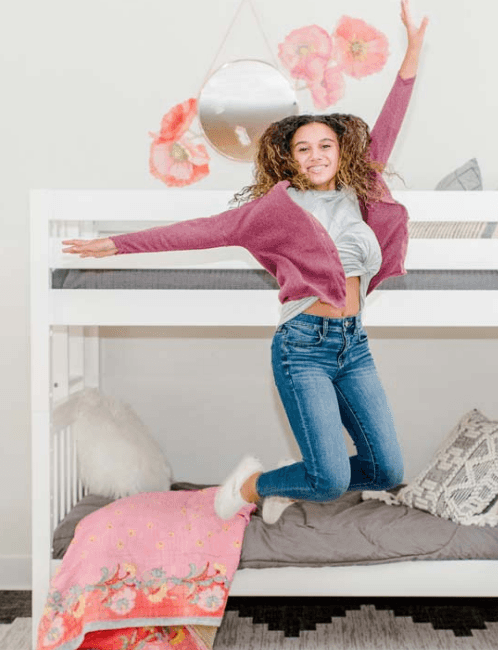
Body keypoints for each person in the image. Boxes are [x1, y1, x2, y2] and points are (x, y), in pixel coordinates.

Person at [63, 1, 428, 524]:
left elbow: (390, 121)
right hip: (302, 348)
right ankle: (253, 485)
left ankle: (291, 481)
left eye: (326, 145)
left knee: (385, 468)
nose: (317, 154)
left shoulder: (359, 189)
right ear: (291, 158)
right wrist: (117, 245)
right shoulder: (272, 211)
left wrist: (413, 52)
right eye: (305, 148)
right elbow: (198, 232)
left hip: (355, 344)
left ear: (341, 152)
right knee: (329, 479)